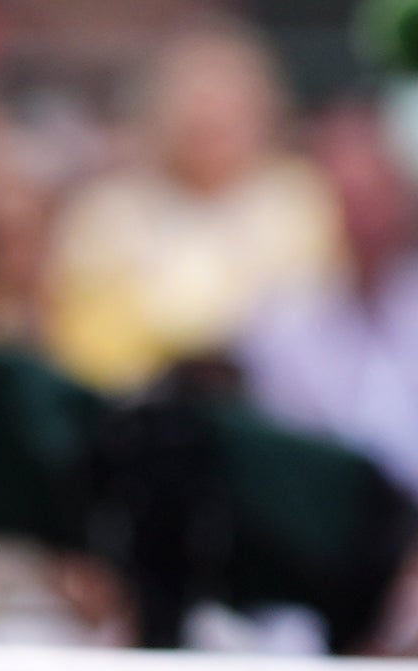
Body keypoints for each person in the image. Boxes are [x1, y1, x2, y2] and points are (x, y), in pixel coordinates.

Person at [240, 104, 418, 567]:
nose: (362, 217)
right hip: (315, 573)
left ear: (410, 196)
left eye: (373, 195)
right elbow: (279, 484)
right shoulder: (278, 328)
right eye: (345, 196)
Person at [43, 26, 340, 397]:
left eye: (226, 113)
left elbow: (324, 327)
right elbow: (89, 349)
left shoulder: (305, 202)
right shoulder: (107, 214)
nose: (208, 123)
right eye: (195, 112)